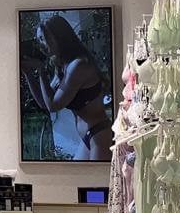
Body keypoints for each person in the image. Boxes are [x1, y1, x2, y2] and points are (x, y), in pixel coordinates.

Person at [21, 14, 113, 161]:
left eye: (44, 39)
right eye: (39, 40)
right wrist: (28, 74)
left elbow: (53, 105)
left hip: (100, 135)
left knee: (96, 177)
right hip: (88, 136)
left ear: (59, 36)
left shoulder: (77, 66)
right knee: (78, 176)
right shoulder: (63, 65)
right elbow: (44, 103)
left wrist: (41, 70)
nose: (41, 45)